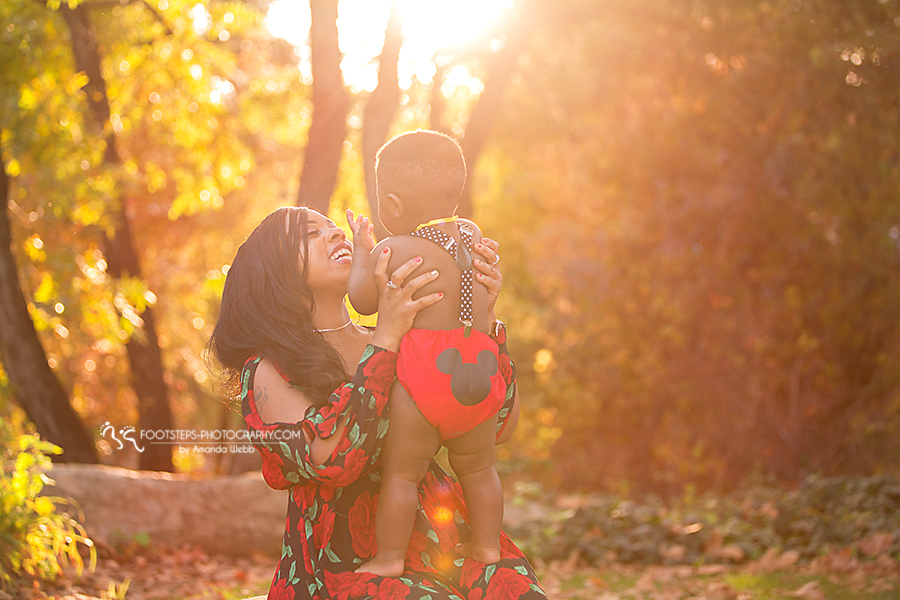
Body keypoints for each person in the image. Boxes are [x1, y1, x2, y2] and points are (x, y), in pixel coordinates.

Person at [208, 206, 547, 599]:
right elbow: (332, 460)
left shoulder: (409, 338)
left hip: (445, 543)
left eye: (334, 228)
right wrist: (385, 340)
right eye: (309, 234)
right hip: (344, 566)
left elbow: (499, 424)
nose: (335, 235)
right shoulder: (267, 368)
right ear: (273, 270)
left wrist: (483, 320)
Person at [346, 130, 506, 577]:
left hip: (426, 380)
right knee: (480, 470)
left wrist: (363, 249)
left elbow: (361, 299)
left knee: (401, 475)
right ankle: (488, 548)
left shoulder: (394, 249)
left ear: (393, 206)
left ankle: (389, 558)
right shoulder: (474, 237)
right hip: (478, 371)